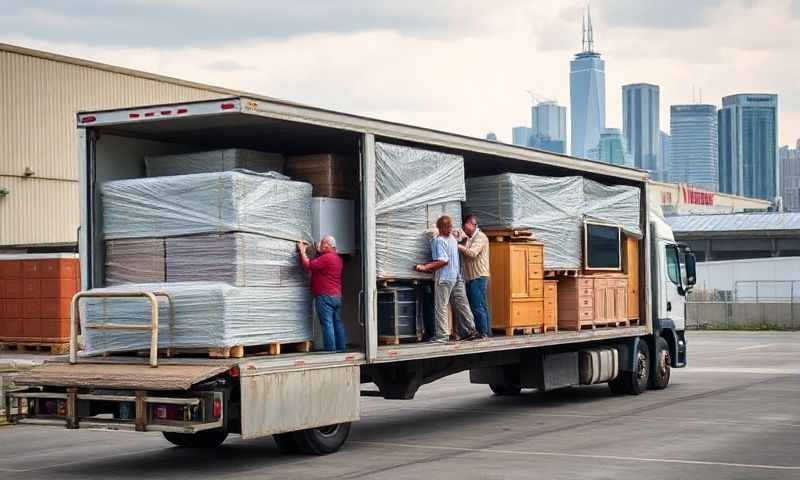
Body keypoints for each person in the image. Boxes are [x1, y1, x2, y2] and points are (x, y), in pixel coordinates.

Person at [415, 215, 479, 343]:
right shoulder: (453, 240)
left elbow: (443, 260)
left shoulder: (439, 240)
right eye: (449, 226)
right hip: (456, 277)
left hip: (445, 278)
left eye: (450, 227)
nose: (450, 229)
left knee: (441, 306)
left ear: (439, 228)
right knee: (462, 305)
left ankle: (442, 336)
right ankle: (470, 330)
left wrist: (424, 266)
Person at [297, 235, 347, 352]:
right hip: (336, 296)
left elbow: (308, 264)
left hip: (325, 297)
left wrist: (302, 251)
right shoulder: (338, 259)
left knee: (327, 323)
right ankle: (341, 348)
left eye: (323, 243)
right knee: (337, 322)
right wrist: (319, 251)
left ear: (327, 245)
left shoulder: (326, 258)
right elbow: (320, 265)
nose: (320, 245)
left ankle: (330, 350)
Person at [456, 214, 491, 339]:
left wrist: (457, 245)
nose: (463, 228)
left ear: (470, 224)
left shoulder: (480, 237)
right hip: (472, 277)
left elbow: (472, 253)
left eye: (464, 225)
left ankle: (483, 333)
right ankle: (486, 331)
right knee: (480, 304)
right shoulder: (470, 238)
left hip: (478, 276)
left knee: (477, 306)